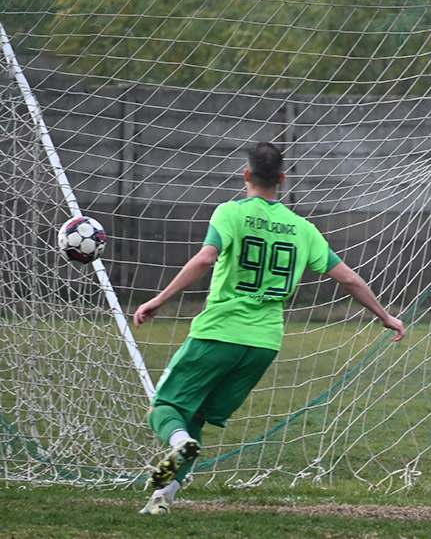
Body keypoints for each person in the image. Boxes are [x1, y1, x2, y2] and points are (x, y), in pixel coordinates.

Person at [133, 141, 405, 515]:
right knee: (195, 417)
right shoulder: (301, 228)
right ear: (282, 178)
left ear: (246, 175)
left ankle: (177, 443)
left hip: (219, 332)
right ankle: (164, 496)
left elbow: (206, 258)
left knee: (163, 409)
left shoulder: (230, 212)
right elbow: (349, 279)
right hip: (263, 344)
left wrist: (159, 299)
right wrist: (385, 315)